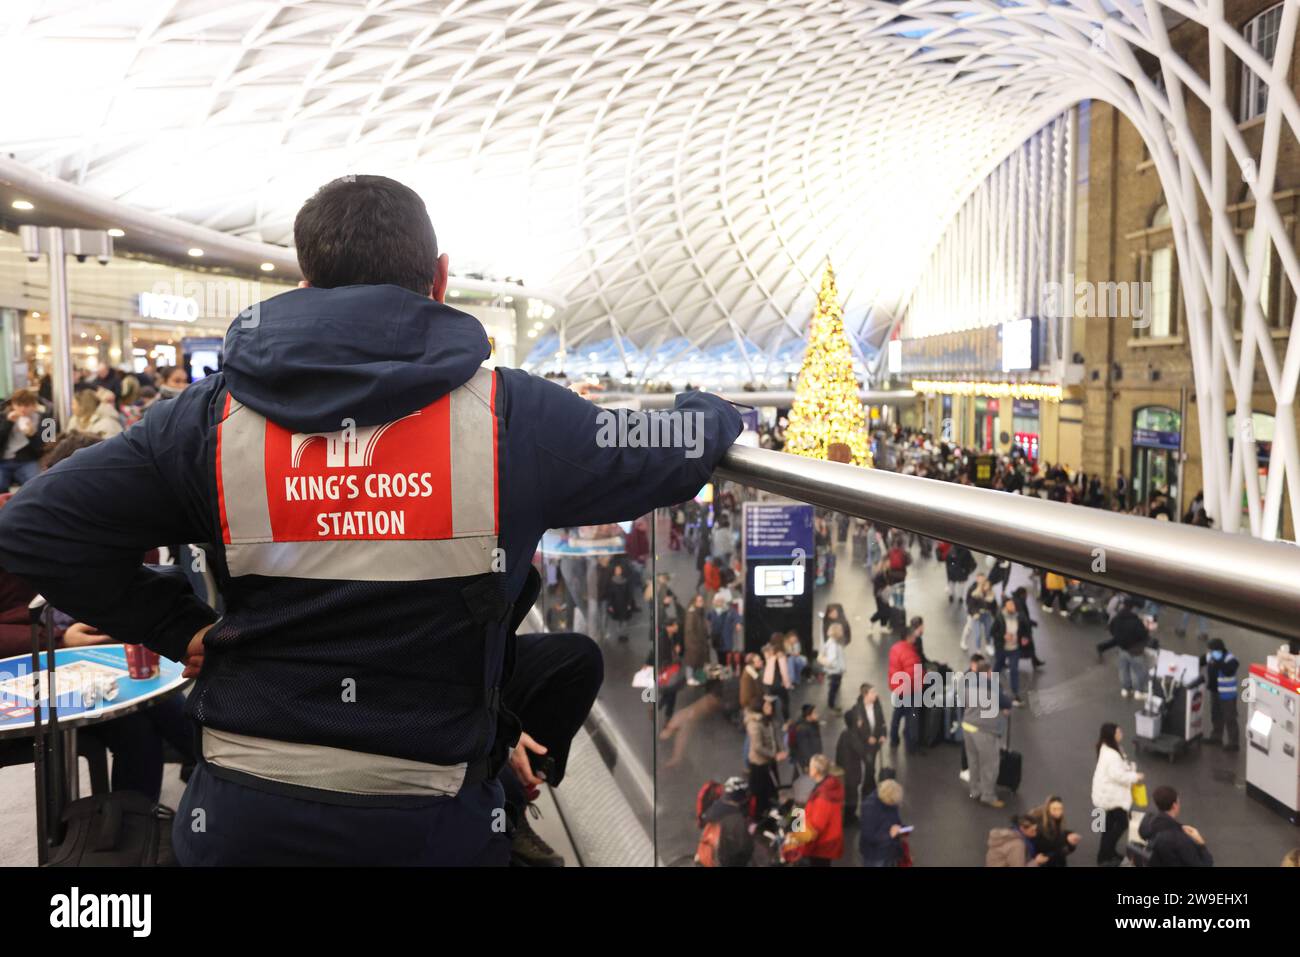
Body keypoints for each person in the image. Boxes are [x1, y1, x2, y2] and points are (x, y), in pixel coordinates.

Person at [0, 174, 743, 866]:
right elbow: (667, 448)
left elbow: (33, 528)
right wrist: (713, 410)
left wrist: (175, 623)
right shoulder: (511, 418)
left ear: (303, 283)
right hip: (427, 823)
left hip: (240, 817)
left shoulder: (209, 420)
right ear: (440, 280)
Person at [1091, 722, 1144, 866]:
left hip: (1105, 795)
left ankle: (1106, 854)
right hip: (1112, 798)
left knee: (1108, 826)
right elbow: (1118, 776)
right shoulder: (1112, 755)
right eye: (1118, 732)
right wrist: (1135, 776)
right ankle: (1105, 854)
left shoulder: (1107, 747)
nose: (1121, 733)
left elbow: (1118, 769)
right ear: (1112, 735)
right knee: (1121, 823)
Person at [962, 655, 1011, 808]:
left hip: (968, 726)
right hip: (984, 730)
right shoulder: (992, 686)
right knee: (989, 764)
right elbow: (1007, 703)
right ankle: (988, 796)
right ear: (989, 672)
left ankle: (975, 790)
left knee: (973, 761)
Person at [789, 754, 844, 866]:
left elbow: (815, 827)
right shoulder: (828, 786)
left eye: (810, 766)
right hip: (827, 842)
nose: (808, 769)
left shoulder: (823, 797)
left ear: (816, 771)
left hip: (820, 846)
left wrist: (795, 836)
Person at [1138, 786, 1214, 867]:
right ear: (1174, 805)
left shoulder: (1148, 821)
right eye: (1179, 802)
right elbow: (1205, 864)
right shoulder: (1180, 839)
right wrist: (1201, 843)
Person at [1097, 599, 1151, 700]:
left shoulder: (1117, 618)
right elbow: (1143, 635)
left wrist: (1119, 638)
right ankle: (1139, 691)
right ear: (1133, 608)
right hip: (1135, 650)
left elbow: (1112, 629)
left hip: (1122, 649)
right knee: (1140, 671)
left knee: (1123, 670)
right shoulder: (1136, 621)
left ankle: (1126, 689)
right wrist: (1147, 628)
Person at [697, 776, 754, 867]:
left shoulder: (716, 806)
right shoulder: (736, 818)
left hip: (707, 852)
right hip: (723, 860)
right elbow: (745, 848)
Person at [744, 697, 786, 815]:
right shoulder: (754, 724)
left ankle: (772, 811)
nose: (770, 708)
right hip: (759, 764)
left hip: (770, 761)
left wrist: (781, 749)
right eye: (767, 706)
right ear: (760, 708)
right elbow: (758, 747)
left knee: (772, 788)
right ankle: (759, 815)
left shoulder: (768, 719)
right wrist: (775, 754)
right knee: (760, 792)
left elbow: (776, 735)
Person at [0, 388, 47, 489]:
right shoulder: (3, 417)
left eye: (26, 405)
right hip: (3, 461)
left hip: (28, 461)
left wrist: (32, 435)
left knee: (36, 485)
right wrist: (8, 424)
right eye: (18, 405)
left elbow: (47, 448)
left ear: (34, 405)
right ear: (12, 405)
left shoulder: (48, 419)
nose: (22, 409)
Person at [888, 620, 924, 752]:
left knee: (897, 713)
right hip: (909, 691)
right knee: (912, 717)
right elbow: (914, 675)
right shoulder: (909, 653)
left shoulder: (895, 648)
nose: (916, 637)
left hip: (898, 688)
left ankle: (893, 738)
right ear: (909, 637)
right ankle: (911, 746)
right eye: (914, 636)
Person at [1203, 638, 1240, 751]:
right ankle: (1216, 736)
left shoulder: (1230, 659)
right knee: (1216, 714)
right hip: (1215, 691)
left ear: (1218, 649)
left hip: (1227, 693)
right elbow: (1200, 661)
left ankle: (1234, 743)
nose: (1210, 652)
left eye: (1212, 650)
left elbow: (1229, 671)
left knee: (1230, 717)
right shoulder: (1210, 656)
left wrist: (1219, 663)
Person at [858, 778, 905, 867]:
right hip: (875, 855)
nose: (895, 805)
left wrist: (902, 828)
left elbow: (895, 821)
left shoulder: (891, 803)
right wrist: (890, 835)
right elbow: (869, 836)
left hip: (889, 851)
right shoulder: (869, 807)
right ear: (888, 800)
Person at [990, 596, 1026, 706]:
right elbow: (992, 632)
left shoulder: (1019, 617)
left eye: (1013, 604)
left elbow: (1024, 629)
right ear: (1005, 606)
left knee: (1014, 670)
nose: (1012, 606)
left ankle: (1015, 695)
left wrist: (1024, 638)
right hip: (1002, 648)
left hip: (1014, 649)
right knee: (997, 668)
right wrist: (1003, 636)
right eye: (1010, 604)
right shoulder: (1000, 617)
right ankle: (989, 686)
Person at [1029, 796, 1081, 866]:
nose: (1058, 812)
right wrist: (1069, 843)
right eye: (1054, 809)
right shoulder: (1041, 828)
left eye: (1060, 809)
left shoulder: (1054, 820)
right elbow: (1056, 851)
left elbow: (1058, 835)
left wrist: (1069, 834)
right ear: (1048, 809)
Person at [986, 814, 1050, 867]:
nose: (1035, 833)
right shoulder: (1018, 845)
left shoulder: (1011, 833)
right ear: (1022, 828)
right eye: (1032, 830)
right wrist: (1036, 861)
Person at [682, 592, 710, 684]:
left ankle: (696, 677)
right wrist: (695, 641)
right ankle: (689, 677)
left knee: (697, 660)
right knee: (692, 660)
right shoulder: (692, 613)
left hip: (699, 641)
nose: (701, 602)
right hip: (693, 642)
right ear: (694, 602)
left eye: (702, 600)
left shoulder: (700, 612)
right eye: (699, 601)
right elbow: (690, 630)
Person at [790, 703, 824, 775]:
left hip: (813, 760)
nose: (817, 714)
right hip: (808, 763)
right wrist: (809, 764)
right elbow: (804, 749)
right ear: (808, 715)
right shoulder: (802, 729)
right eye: (814, 713)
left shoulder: (813, 724)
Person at [819, 622, 846, 712]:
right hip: (835, 671)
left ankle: (831, 704)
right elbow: (832, 660)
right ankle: (831, 705)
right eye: (841, 630)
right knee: (834, 688)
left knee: (834, 688)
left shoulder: (832, 642)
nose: (842, 632)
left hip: (835, 671)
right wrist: (837, 667)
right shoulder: (833, 645)